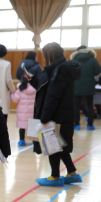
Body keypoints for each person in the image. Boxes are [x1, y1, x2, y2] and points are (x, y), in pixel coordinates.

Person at [33, 42, 83, 187]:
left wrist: (44, 117)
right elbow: (47, 89)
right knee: (59, 145)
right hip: (64, 113)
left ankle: (55, 176)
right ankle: (72, 173)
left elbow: (53, 96)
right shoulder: (60, 69)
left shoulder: (59, 71)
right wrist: (33, 81)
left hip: (57, 114)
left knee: (53, 145)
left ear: (50, 55)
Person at [71, 45, 100, 130]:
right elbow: (98, 72)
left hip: (76, 86)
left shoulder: (74, 59)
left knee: (76, 106)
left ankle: (76, 125)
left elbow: (70, 72)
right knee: (90, 105)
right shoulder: (93, 59)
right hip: (89, 86)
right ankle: (90, 125)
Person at [10, 74, 36, 147]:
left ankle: (22, 140)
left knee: (22, 126)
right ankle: (34, 140)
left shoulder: (20, 90)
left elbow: (15, 99)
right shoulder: (35, 89)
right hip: (33, 110)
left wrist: (11, 94)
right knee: (32, 125)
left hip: (23, 111)